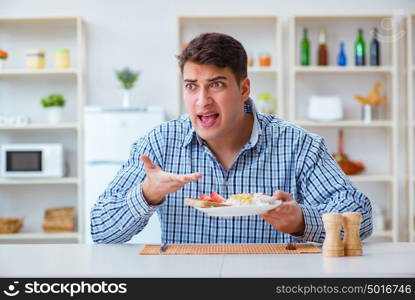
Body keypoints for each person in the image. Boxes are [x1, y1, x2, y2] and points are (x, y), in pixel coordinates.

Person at [91, 32, 373, 244]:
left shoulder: (298, 145)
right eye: (192, 86)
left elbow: (362, 219)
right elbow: (100, 230)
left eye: (216, 84)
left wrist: (302, 221)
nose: (202, 100)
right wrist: (146, 194)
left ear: (244, 89)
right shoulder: (160, 144)